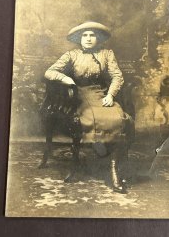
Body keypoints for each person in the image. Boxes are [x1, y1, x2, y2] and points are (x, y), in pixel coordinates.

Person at [45, 21, 129, 193]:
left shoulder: (107, 54)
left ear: (98, 38)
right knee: (91, 116)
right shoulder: (72, 54)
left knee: (118, 117)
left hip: (101, 93)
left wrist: (110, 95)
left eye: (92, 35)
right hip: (80, 95)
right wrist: (65, 79)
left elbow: (117, 76)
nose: (89, 39)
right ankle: (98, 145)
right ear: (79, 38)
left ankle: (114, 170)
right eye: (85, 35)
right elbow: (49, 71)